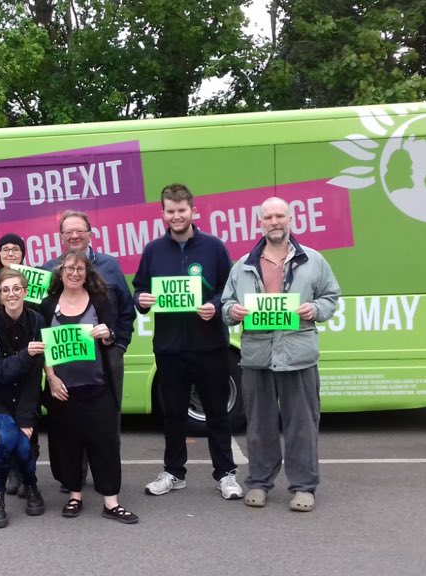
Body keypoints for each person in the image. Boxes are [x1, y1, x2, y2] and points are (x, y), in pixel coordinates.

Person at [221, 197, 340, 512]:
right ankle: (259, 482)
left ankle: (303, 487)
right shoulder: (244, 264)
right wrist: (232, 310)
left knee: (302, 424)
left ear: (290, 219)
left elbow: (331, 296)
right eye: (268, 217)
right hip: (257, 356)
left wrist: (314, 309)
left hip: (297, 355)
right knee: (259, 425)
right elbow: (225, 305)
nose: (274, 221)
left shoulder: (313, 260)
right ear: (260, 223)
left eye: (280, 216)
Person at [133, 183, 243, 500]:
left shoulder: (214, 247)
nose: (177, 216)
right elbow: (138, 290)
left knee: (216, 413)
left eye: (182, 210)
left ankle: (226, 474)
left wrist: (216, 304)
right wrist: (142, 299)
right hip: (169, 349)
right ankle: (173, 472)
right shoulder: (153, 250)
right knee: (173, 415)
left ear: (193, 211)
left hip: (209, 346)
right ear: (163, 213)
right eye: (171, 211)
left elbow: (230, 288)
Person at [41, 250, 138, 524]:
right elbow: (43, 346)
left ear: (87, 273)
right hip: (62, 390)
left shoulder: (100, 300)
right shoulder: (48, 305)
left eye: (80, 269)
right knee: (68, 443)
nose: (74, 273)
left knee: (105, 443)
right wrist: (51, 378)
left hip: (97, 385)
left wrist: (108, 336)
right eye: (69, 269)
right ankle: (75, 496)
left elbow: (113, 335)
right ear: (60, 273)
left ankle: (111, 502)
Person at [0, 268, 46, 528]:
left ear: (25, 292)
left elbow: (35, 373)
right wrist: (25, 354)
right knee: (8, 438)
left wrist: (27, 416)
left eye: (17, 288)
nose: (12, 294)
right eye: (5, 290)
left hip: (24, 397)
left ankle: (31, 486)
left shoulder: (37, 321)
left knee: (25, 447)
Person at [43, 211, 134, 405]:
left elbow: (127, 308)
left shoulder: (110, 264)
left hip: (108, 355)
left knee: (108, 416)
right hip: (65, 360)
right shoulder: (48, 270)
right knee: (67, 417)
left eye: (79, 231)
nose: (74, 236)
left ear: (90, 234)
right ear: (61, 237)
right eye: (68, 232)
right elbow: (39, 316)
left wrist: (119, 345)